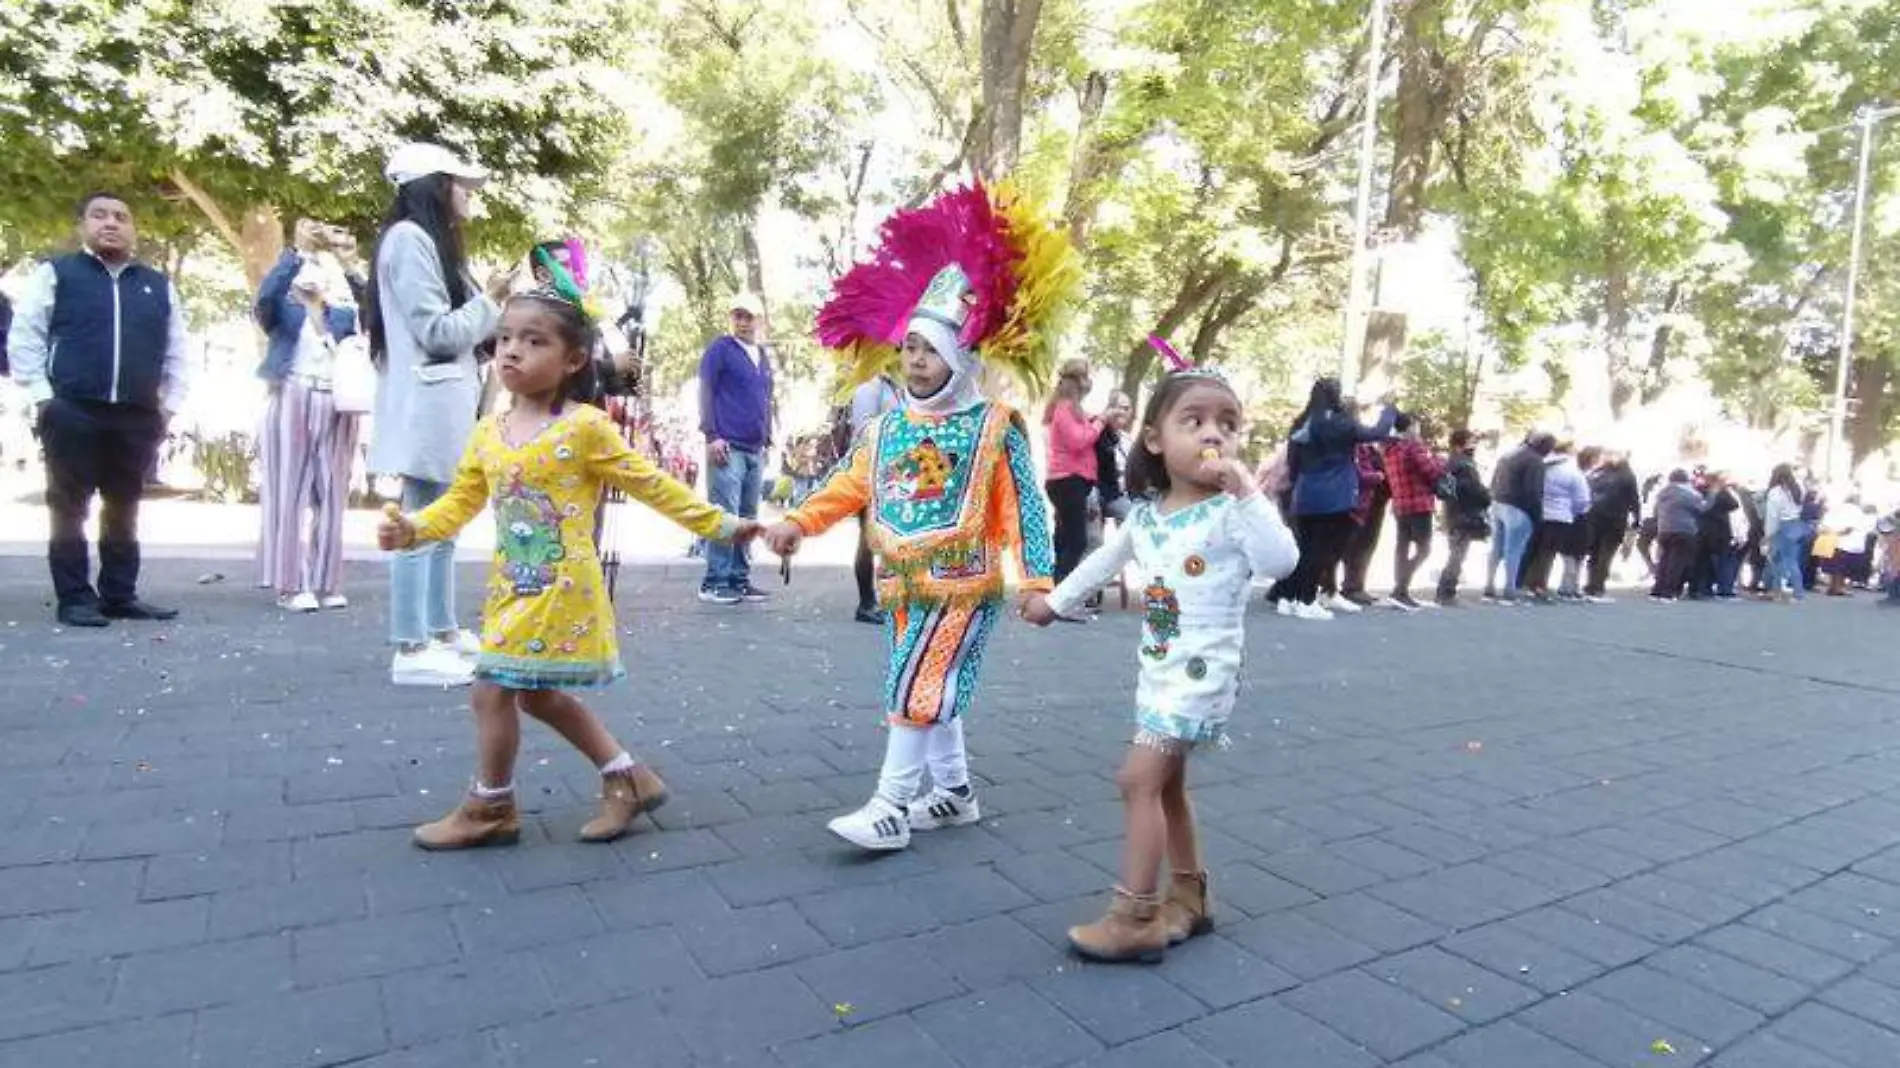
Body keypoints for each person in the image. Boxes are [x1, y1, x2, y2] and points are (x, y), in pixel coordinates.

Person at [377, 283, 760, 849]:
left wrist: (723, 526)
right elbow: (461, 499)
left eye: (533, 342)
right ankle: (626, 776)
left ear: (573, 359)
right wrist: (414, 529)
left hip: (561, 588)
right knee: (533, 695)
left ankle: (492, 805)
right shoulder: (488, 431)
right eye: (505, 338)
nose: (511, 351)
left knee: (490, 690)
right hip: (512, 586)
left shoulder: (585, 427)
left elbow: (650, 483)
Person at [767, 258, 1057, 852]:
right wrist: (800, 520)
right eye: (910, 348)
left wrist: (1036, 580)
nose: (915, 360)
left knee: (914, 686)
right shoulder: (886, 429)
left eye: (930, 349)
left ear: (958, 358)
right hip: (901, 584)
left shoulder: (995, 427)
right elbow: (847, 485)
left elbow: (1023, 507)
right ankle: (954, 794)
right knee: (934, 689)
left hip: (964, 585)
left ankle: (891, 806)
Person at [364, 142, 513, 686]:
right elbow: (437, 332)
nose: (469, 194)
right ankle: (411, 644)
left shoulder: (426, 242)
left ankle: (441, 630)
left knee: (441, 522)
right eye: (460, 183)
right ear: (433, 185)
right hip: (429, 404)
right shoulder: (409, 240)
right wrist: (491, 300)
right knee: (421, 522)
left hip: (444, 403)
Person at [7, 192, 188, 628]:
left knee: (124, 506)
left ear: (134, 229)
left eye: (121, 216)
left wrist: (169, 407)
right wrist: (41, 398)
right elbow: (26, 337)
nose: (111, 223)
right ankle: (74, 598)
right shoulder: (57, 274)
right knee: (69, 507)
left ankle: (119, 594)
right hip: (72, 410)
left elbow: (178, 350)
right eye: (99, 215)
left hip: (137, 414)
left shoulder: (157, 285)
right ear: (83, 225)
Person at [254, 219, 363, 613]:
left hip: (338, 399)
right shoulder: (284, 307)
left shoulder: (344, 311)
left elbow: (375, 316)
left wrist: (349, 263)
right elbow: (263, 302)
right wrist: (296, 252)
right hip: (292, 391)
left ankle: (327, 580)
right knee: (289, 491)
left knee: (333, 494)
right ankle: (290, 582)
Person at [1280, 379, 1397, 621]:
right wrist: (1389, 411)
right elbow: (1377, 433)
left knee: (1306, 548)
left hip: (1305, 491)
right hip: (1333, 494)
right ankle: (1307, 600)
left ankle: (1291, 598)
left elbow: (1293, 462)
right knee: (1322, 550)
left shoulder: (1302, 423)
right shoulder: (1339, 424)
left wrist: (1296, 483)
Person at [697, 293, 775, 606]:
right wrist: (711, 434)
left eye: (748, 316)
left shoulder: (762, 355)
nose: (742, 322)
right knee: (725, 515)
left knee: (748, 516)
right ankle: (714, 581)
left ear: (759, 320)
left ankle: (739, 580)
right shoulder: (721, 349)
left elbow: (765, 399)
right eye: (737, 316)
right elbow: (706, 390)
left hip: (755, 447)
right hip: (726, 444)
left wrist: (767, 436)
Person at [847, 372, 903, 624]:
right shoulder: (870, 386)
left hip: (896, 475)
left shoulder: (897, 386)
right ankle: (866, 602)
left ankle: (888, 598)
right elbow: (863, 430)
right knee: (868, 538)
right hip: (870, 472)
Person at [1044, 358, 1101, 584]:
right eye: (1087, 377)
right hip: (1067, 481)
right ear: (1078, 381)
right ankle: (1061, 592)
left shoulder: (1072, 408)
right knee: (1077, 541)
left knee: (1065, 537)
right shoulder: (1064, 408)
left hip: (1072, 482)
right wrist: (1100, 424)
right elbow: (1078, 440)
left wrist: (1094, 420)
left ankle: (1055, 588)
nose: (1090, 382)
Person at [1381, 412, 1444, 611]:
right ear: (1409, 427)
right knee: (1424, 549)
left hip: (1400, 504)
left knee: (1402, 548)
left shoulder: (1389, 449)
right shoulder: (1413, 447)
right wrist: (1440, 461)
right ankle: (1400, 589)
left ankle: (1401, 591)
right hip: (1419, 503)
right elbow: (1431, 471)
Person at [1483, 431, 1552, 604]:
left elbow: (1493, 481)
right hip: (1519, 508)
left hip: (1498, 503)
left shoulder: (1508, 454)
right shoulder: (1535, 461)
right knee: (1514, 550)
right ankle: (1509, 589)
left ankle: (1489, 585)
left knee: (1497, 547)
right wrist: (1537, 516)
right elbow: (1534, 492)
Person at [1434, 429, 1491, 606]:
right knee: (1458, 554)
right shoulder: (1465, 465)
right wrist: (1487, 496)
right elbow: (1473, 490)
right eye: (1471, 442)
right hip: (1464, 513)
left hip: (1452, 511)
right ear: (1461, 444)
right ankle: (1446, 591)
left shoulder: (1450, 462)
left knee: (1455, 551)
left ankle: (1445, 590)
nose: (1474, 446)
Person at [1583, 450, 1640, 602]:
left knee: (1594, 553)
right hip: (1615, 519)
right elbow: (1634, 499)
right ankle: (1598, 586)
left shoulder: (1597, 474)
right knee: (1606, 553)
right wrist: (1636, 519)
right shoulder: (1627, 476)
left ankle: (1590, 584)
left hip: (1593, 517)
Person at [1650, 469, 1705, 601]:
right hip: (1684, 530)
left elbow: (1655, 511)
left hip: (1664, 529)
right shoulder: (1689, 494)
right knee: (1677, 562)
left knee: (1664, 560)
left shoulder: (1662, 493)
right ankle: (1670, 591)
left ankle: (1657, 589)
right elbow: (1702, 508)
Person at [1761, 463, 1806, 602]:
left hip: (1782, 525)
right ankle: (1792, 591)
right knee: (1791, 559)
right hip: (1796, 524)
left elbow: (1772, 515)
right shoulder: (1798, 489)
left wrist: (1768, 534)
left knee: (1778, 559)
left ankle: (1780, 591)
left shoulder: (1775, 492)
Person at [1095, 389, 1134, 523]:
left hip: (1116, 494)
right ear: (1110, 409)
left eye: (1128, 408)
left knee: (1132, 514)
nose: (1126, 412)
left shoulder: (1125, 438)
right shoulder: (1097, 431)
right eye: (1122, 408)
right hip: (1096, 493)